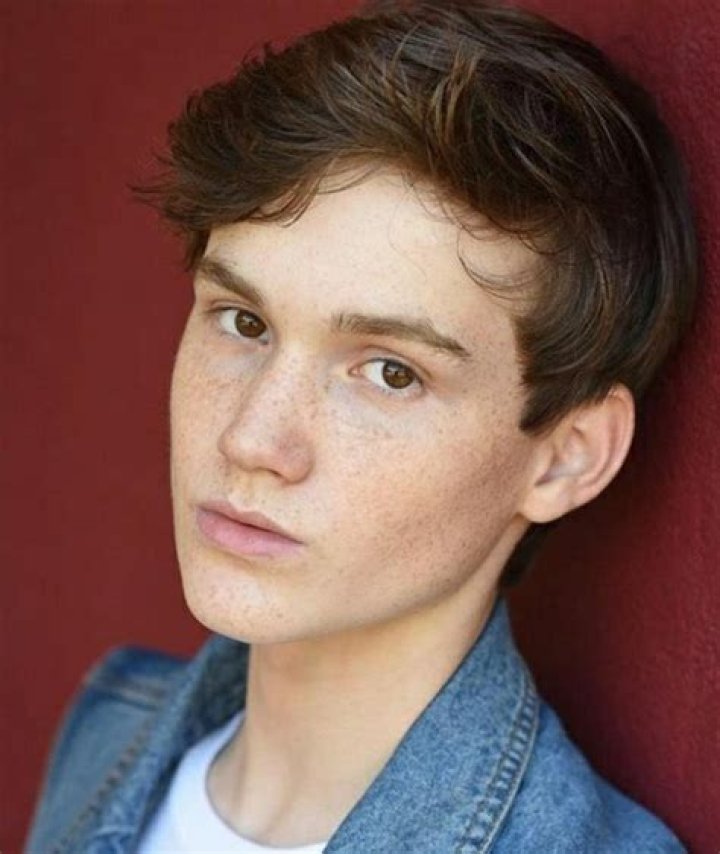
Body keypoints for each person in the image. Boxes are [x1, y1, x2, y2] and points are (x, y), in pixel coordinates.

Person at [26, 0, 696, 851]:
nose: (251, 440)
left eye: (390, 373)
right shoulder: (113, 726)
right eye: (243, 322)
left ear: (566, 458)